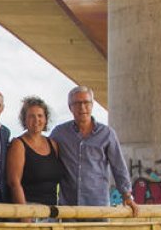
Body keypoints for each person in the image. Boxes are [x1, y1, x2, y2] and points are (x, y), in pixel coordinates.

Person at [50, 85, 140, 216]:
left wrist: (127, 197)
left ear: (92, 105)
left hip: (98, 207)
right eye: (77, 103)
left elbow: (119, 167)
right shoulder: (60, 133)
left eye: (86, 102)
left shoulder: (107, 133)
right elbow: (44, 155)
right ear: (70, 107)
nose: (82, 107)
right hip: (69, 208)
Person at [7, 96, 65, 207]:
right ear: (25, 119)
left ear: (45, 119)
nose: (36, 120)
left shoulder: (53, 144)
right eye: (31, 116)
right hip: (29, 209)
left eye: (40, 116)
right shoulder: (18, 144)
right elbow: (14, 182)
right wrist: (24, 215)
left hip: (52, 211)